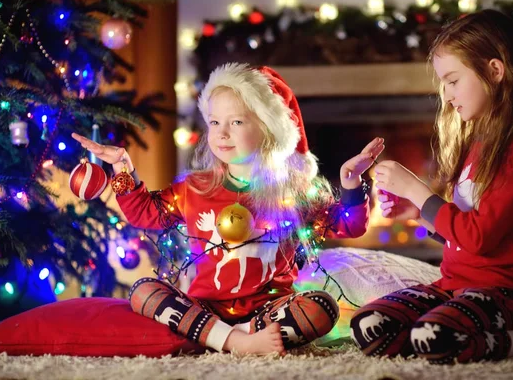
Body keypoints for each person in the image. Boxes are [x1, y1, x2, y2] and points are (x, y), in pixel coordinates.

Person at [72, 63, 384, 355]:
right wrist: (123, 168)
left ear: (267, 129)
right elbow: (145, 214)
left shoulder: (294, 191)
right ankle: (235, 340)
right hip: (208, 306)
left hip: (270, 309)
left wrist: (351, 181)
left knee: (321, 306)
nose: (222, 133)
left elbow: (351, 226)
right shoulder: (194, 187)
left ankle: (224, 336)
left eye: (236, 122)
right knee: (144, 292)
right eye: (214, 122)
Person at [350, 9, 513, 363]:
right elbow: (460, 230)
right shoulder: (476, 143)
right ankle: (448, 334)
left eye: (453, 80)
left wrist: (419, 191)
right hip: (454, 285)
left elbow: (478, 237)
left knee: (430, 335)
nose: (447, 95)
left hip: (509, 291)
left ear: (495, 71)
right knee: (369, 324)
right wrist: (416, 212)